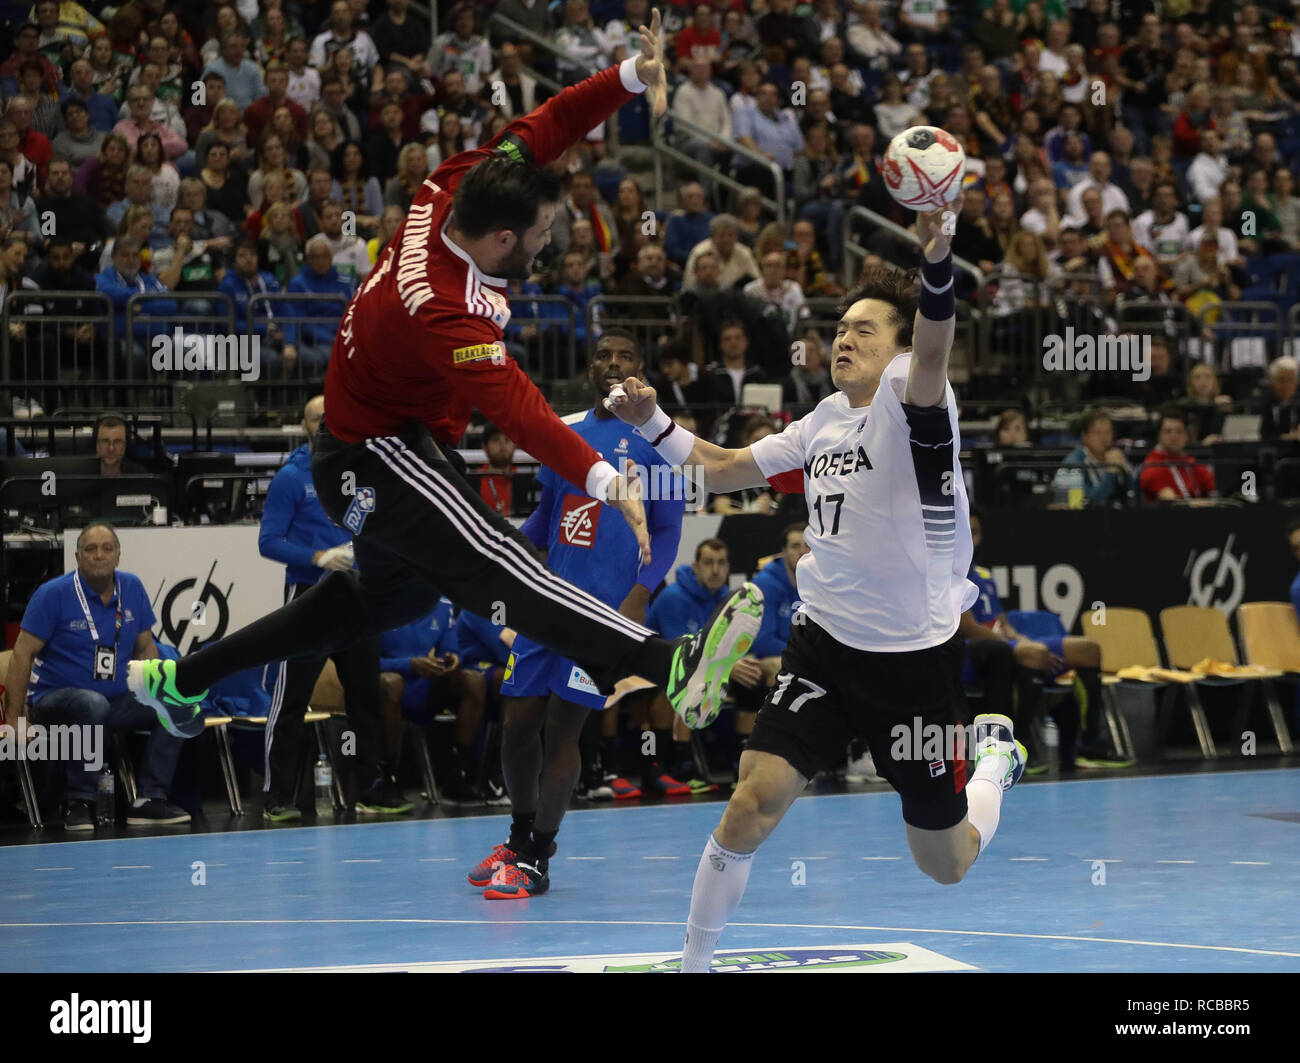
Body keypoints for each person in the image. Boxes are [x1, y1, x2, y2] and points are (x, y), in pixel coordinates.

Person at [126, 13, 763, 753]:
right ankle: (671, 665)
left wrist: (628, 76)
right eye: (541, 235)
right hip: (377, 451)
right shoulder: (444, 310)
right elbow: (518, 411)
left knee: (383, 600)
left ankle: (184, 678)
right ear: (501, 240)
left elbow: (548, 123)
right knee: (508, 563)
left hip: (383, 436)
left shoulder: (459, 182)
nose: (550, 243)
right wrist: (603, 477)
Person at [606, 201, 1029, 971]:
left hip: (914, 667)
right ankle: (694, 964)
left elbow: (934, 345)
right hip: (824, 648)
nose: (844, 338)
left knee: (946, 861)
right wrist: (651, 423)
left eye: (865, 329)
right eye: (839, 329)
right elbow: (727, 465)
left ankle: (995, 761)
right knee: (749, 802)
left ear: (898, 349)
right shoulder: (824, 420)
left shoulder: (913, 399)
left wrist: (939, 258)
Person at [470, 329, 687, 898]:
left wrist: (640, 593)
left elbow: (665, 532)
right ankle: (517, 840)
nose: (614, 364)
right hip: (546, 603)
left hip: (602, 614)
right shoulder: (564, 431)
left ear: (643, 368)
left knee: (566, 727)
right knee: (517, 724)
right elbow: (545, 517)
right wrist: (500, 555)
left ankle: (538, 856)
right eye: (604, 356)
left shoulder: (661, 440)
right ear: (590, 366)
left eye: (627, 356)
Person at [258, 396, 411, 820]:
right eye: (317, 419)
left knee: (365, 697)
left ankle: (369, 787)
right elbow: (268, 542)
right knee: (291, 697)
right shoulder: (291, 478)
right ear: (304, 426)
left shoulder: (364, 470)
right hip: (309, 598)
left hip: (360, 598)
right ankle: (276, 795)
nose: (326, 424)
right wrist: (318, 558)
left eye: (333, 417)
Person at [2, 523, 196, 831]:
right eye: (90, 549)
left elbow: (146, 648)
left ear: (118, 556)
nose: (99, 555)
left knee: (177, 701)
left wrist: (158, 691)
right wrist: (14, 719)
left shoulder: (132, 588)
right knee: (91, 704)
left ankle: (150, 799)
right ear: (78, 557)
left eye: (107, 548)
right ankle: (79, 801)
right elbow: (21, 654)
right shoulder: (52, 595)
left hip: (115, 700)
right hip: (54, 701)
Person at [1051, 409, 1132, 508]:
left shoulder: (1115, 456)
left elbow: (1132, 494)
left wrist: (1126, 471)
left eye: (1108, 432)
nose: (1104, 438)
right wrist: (1110, 473)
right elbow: (1088, 502)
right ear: (1085, 437)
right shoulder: (1074, 463)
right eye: (1098, 433)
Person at [1139, 407, 1216, 503]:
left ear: (1186, 436)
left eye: (1179, 431)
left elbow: (1214, 488)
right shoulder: (1152, 466)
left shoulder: (1192, 463)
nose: (1174, 437)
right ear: (1159, 435)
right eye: (1168, 431)